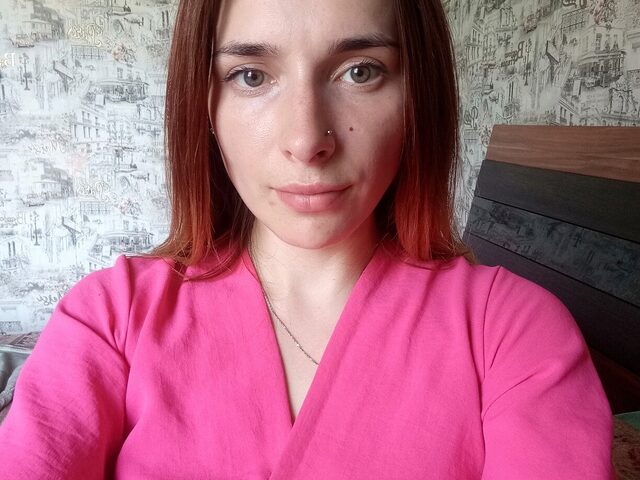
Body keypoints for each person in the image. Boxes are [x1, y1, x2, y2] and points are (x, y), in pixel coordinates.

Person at [0, 0, 615, 478]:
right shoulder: (108, 317)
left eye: (360, 71)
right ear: (204, 107)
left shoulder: (515, 334)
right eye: (250, 75)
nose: (306, 139)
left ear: (418, 98)